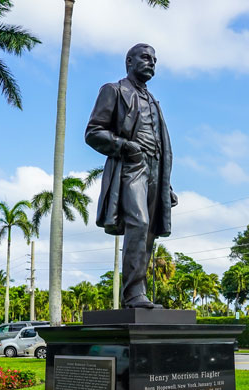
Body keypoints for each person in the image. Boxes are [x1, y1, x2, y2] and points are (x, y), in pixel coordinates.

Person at [86, 43, 178, 309]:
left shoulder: (154, 102)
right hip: (130, 166)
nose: (151, 63)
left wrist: (166, 184)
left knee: (149, 230)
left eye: (154, 60)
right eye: (146, 58)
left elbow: (161, 143)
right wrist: (125, 146)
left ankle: (139, 292)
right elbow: (93, 132)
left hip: (155, 170)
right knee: (138, 223)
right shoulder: (114, 91)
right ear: (129, 61)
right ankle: (133, 294)